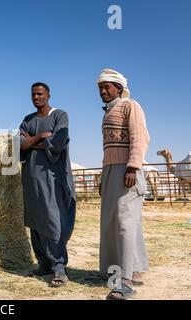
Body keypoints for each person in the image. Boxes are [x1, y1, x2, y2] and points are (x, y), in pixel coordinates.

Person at [97, 68, 150, 300]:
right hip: (111, 172)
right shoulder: (107, 113)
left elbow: (140, 137)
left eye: (107, 86)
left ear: (119, 87)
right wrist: (103, 175)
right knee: (112, 221)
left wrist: (132, 166)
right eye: (100, 87)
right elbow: (107, 149)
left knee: (125, 223)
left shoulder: (131, 105)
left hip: (127, 171)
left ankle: (126, 281)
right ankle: (130, 271)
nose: (102, 90)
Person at [19, 82, 76, 287]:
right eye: (33, 94)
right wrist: (41, 137)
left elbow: (59, 143)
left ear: (48, 95)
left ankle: (59, 269)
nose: (36, 97)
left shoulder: (59, 115)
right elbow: (18, 145)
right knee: (35, 221)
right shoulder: (28, 120)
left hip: (53, 177)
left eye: (40, 93)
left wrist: (31, 143)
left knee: (53, 220)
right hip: (31, 178)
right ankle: (43, 264)